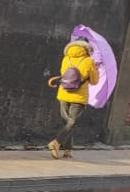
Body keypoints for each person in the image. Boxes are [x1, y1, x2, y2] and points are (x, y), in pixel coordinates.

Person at [44, 25, 117, 160]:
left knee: (67, 123)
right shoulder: (89, 61)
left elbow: (63, 74)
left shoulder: (66, 58)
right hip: (78, 96)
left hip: (63, 93)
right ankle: (56, 143)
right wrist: (93, 70)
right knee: (71, 123)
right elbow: (94, 82)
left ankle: (68, 151)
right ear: (87, 48)